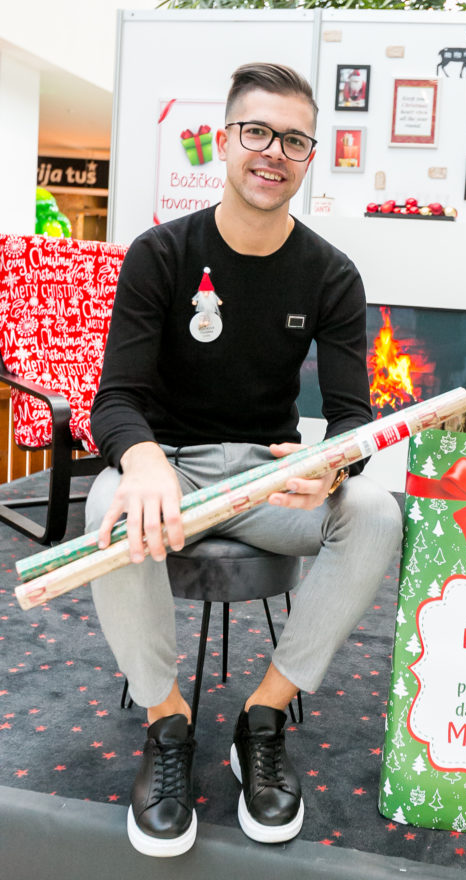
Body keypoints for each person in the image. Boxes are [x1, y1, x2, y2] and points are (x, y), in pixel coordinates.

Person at [86, 62, 403, 857]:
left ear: (309, 157)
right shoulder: (161, 254)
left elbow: (352, 420)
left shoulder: (330, 274)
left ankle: (262, 717)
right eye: (257, 132)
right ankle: (167, 724)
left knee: (373, 513)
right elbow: (115, 400)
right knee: (105, 507)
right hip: (173, 466)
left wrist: (332, 467)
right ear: (224, 141)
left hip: (269, 478)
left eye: (294, 140)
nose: (273, 152)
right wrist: (143, 463)